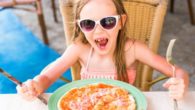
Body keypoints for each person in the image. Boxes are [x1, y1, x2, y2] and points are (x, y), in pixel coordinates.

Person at [17, 0, 189, 101]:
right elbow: (47, 76)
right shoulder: (79, 49)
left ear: (121, 22)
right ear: (80, 27)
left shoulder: (133, 49)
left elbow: (178, 72)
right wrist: (36, 85)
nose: (98, 31)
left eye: (107, 22)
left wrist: (181, 83)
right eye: (88, 24)